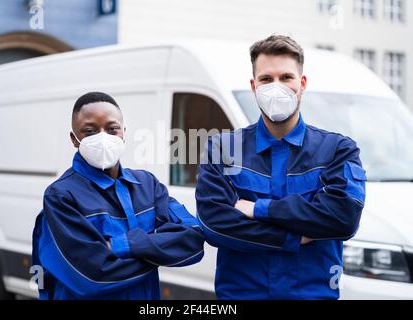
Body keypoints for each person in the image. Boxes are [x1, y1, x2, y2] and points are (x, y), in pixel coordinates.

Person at [195, 35, 366, 300]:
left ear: (302, 83)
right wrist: (293, 238)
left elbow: (343, 219)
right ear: (253, 86)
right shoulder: (222, 149)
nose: (277, 87)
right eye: (266, 79)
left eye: (286, 77)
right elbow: (214, 224)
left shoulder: (337, 150)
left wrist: (258, 209)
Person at [32, 92, 204, 300]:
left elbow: (193, 239)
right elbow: (93, 277)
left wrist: (122, 246)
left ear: (124, 132)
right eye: (90, 131)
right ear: (74, 139)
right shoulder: (61, 197)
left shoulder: (147, 185)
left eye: (112, 129)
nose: (103, 138)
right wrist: (159, 250)